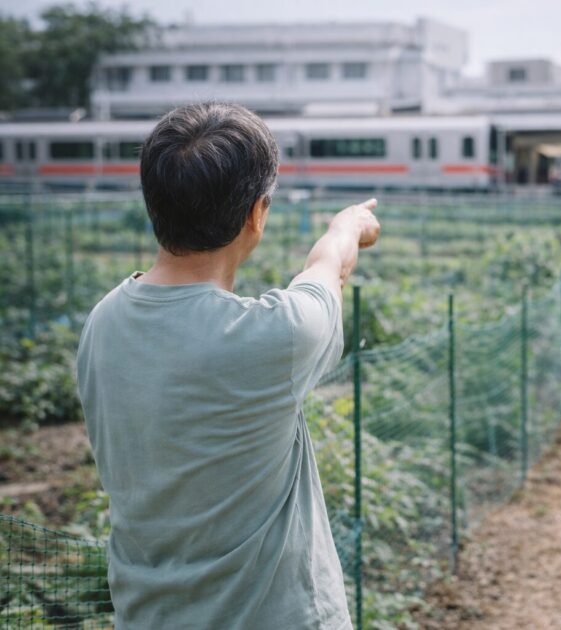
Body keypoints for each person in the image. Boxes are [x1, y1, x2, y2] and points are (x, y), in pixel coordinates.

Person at [76, 102, 380, 629]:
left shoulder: (102, 323)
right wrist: (348, 225)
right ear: (256, 213)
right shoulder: (275, 335)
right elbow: (328, 266)